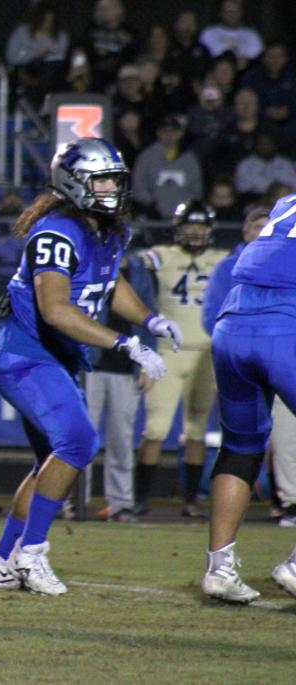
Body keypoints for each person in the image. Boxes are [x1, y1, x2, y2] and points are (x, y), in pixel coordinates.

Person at [0, 138, 176, 596]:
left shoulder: (109, 230)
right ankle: (32, 553)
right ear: (74, 184)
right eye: (101, 179)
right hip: (27, 358)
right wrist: (126, 344)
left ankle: (1, 561)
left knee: (51, 461)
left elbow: (110, 280)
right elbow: (56, 310)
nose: (111, 189)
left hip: (54, 360)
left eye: (114, 180)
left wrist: (149, 319)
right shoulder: (55, 233)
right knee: (80, 441)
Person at [199, 192, 296, 604]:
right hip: (284, 326)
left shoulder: (286, 204)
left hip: (233, 325)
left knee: (240, 447)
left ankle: (219, 569)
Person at [133, 201, 228, 518]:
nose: (196, 231)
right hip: (167, 354)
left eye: (201, 226)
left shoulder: (222, 260)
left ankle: (189, 500)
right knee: (156, 429)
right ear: (178, 228)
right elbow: (134, 272)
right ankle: (139, 497)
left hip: (206, 354)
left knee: (197, 430)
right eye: (190, 225)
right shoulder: (161, 256)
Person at [85, 249, 156, 522]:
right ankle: (73, 498)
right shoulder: (90, 262)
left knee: (122, 439)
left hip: (126, 367)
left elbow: (150, 315)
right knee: (80, 438)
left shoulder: (139, 271)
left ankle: (121, 502)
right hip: (90, 363)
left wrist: (147, 360)